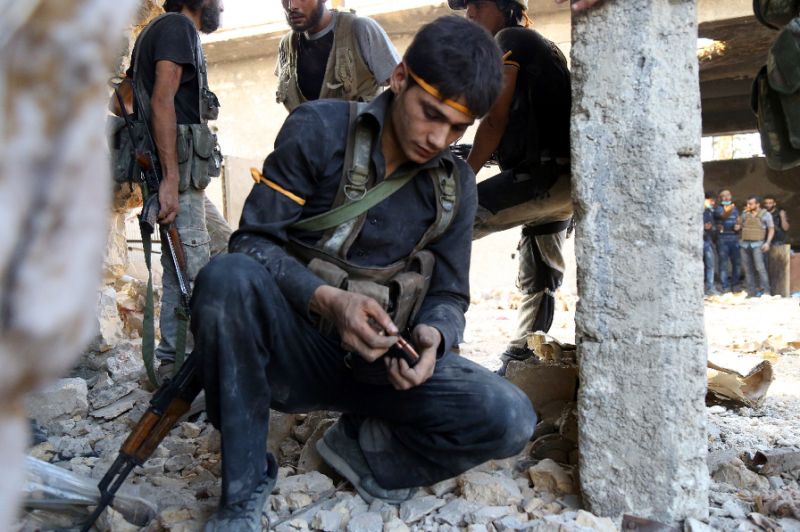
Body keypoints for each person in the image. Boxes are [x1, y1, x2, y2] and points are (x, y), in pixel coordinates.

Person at [194, 16, 536, 530]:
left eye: (457, 128)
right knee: (225, 278)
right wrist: (330, 301)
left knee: (510, 419)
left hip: (385, 370)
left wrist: (434, 337)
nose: (438, 138)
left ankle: (361, 446)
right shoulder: (319, 129)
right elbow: (252, 244)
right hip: (293, 354)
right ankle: (243, 489)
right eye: (430, 113)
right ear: (399, 78)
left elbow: (450, 293)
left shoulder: (456, 186)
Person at [449, 0, 572, 374]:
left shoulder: (510, 38)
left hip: (542, 180)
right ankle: (520, 360)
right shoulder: (542, 47)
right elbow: (526, 128)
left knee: (444, 229)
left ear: (503, 5)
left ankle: (437, 343)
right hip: (566, 184)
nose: (469, 14)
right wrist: (475, 153)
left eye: (477, 4)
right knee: (540, 275)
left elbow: (494, 120)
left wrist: (464, 176)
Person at [124, 0, 233, 380]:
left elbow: (131, 98)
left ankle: (209, 353)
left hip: (187, 180)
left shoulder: (163, 31)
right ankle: (178, 372)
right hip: (178, 178)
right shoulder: (176, 27)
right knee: (188, 271)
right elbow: (161, 101)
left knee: (225, 246)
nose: (222, 5)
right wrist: (168, 182)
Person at [275, 0, 401, 112]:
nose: (292, 6)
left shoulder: (360, 29)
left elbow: (403, 89)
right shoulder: (286, 46)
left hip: (363, 135)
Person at [739, 195, 774, 297]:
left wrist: (767, 243)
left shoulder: (765, 215)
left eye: (750, 204)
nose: (748, 205)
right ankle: (751, 292)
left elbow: (771, 229)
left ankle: (766, 291)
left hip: (758, 244)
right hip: (744, 244)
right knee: (747, 269)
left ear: (757, 204)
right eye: (747, 203)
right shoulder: (745, 214)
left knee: (760, 268)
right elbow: (740, 226)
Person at [714, 189, 741, 292]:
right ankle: (725, 286)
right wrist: (730, 208)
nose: (726, 198)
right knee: (723, 264)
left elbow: (738, 220)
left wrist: (739, 225)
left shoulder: (735, 209)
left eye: (728, 195)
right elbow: (723, 216)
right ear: (720, 199)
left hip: (734, 239)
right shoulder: (718, 209)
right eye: (723, 196)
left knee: (737, 263)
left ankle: (735, 285)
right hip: (723, 240)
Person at [703, 192, 717, 295]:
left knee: (710, 265)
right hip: (701, 241)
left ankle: (709, 288)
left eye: (714, 200)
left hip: (708, 240)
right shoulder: (700, 211)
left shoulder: (709, 211)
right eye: (710, 200)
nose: (713, 202)